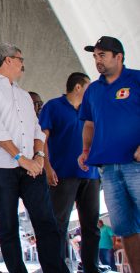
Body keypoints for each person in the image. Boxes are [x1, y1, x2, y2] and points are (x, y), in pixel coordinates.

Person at [0, 43, 69, 273]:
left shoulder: (25, 95)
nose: (22, 64)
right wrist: (21, 158)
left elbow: (37, 130)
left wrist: (38, 156)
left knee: (46, 220)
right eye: (20, 59)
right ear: (7, 60)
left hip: (31, 166)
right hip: (0, 167)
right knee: (8, 225)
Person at [78, 36, 140, 273]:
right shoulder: (93, 90)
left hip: (136, 165)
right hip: (108, 169)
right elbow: (90, 125)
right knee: (124, 227)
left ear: (119, 56)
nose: (97, 60)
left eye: (102, 55)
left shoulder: (137, 79)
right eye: (94, 56)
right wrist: (85, 150)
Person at [39, 72, 100, 273]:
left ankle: (90, 266)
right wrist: (47, 167)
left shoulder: (90, 108)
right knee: (59, 224)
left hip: (91, 175)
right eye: (88, 86)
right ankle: (58, 268)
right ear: (78, 87)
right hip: (62, 174)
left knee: (91, 225)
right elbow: (42, 140)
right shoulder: (53, 107)